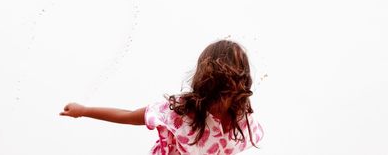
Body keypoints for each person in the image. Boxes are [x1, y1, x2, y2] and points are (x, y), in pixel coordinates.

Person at [60, 39, 264, 154]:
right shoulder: (180, 111)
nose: (225, 97)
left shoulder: (243, 121)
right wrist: (84, 111)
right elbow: (129, 116)